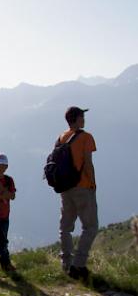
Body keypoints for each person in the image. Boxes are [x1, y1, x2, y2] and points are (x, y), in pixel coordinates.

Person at [58, 106, 98, 280]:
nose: (84, 119)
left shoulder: (61, 138)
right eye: (82, 116)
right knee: (90, 227)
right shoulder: (86, 137)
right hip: (82, 187)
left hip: (65, 189)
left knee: (65, 227)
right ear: (77, 119)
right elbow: (88, 163)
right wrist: (93, 183)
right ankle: (78, 265)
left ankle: (66, 263)